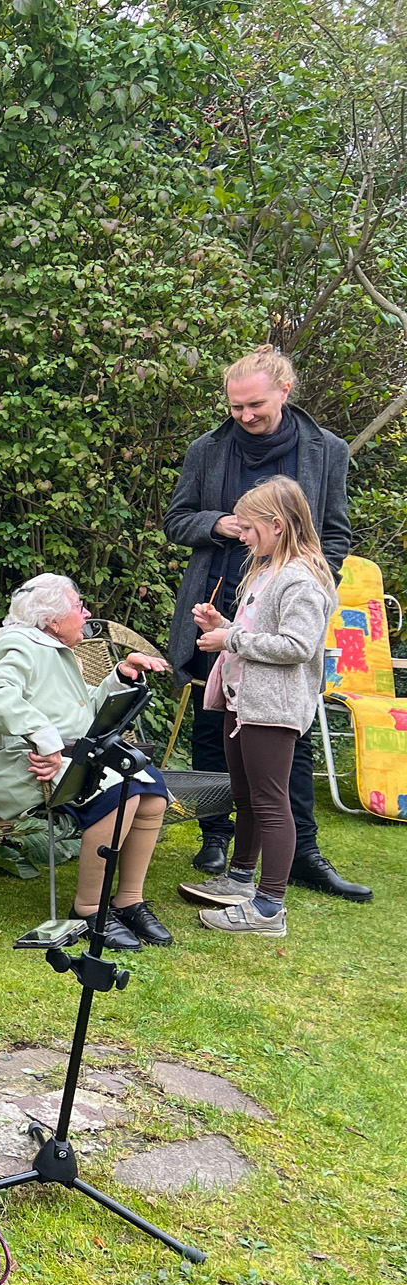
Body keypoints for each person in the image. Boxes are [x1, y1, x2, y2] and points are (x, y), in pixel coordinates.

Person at [164, 346, 366, 901]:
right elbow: (177, 521)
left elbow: (337, 532)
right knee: (214, 722)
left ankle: (302, 852)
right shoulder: (207, 450)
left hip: (284, 607)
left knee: (284, 728)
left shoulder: (328, 451)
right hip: (218, 601)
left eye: (255, 405)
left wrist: (308, 586)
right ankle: (215, 837)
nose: (245, 416)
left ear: (284, 392)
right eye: (235, 407)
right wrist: (221, 523)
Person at [0, 574, 176, 949]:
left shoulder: (55, 648)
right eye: (79, 607)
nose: (87, 613)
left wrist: (120, 677)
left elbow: (83, 715)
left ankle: (128, 899)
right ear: (51, 619)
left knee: (152, 790)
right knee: (120, 793)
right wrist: (45, 739)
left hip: (64, 756)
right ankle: (89, 907)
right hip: (22, 765)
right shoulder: (19, 644)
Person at [183, 478, 335, 937]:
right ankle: (240, 880)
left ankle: (269, 909)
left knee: (271, 802)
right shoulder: (267, 570)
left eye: (248, 528)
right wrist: (223, 623)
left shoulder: (301, 577)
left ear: (277, 524)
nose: (241, 535)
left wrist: (230, 638)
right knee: (245, 795)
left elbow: (298, 644)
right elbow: (259, 634)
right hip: (243, 700)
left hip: (273, 707)